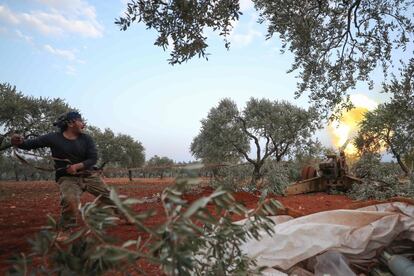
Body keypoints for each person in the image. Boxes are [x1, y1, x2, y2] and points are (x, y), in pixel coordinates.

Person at [11, 111, 116, 235]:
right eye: (80, 121)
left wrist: (77, 166)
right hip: (67, 178)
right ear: (71, 123)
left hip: (89, 175)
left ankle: (125, 215)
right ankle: (65, 229)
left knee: (110, 197)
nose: (83, 124)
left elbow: (92, 159)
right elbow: (28, 145)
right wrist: (18, 142)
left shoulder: (87, 139)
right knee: (70, 200)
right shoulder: (52, 138)